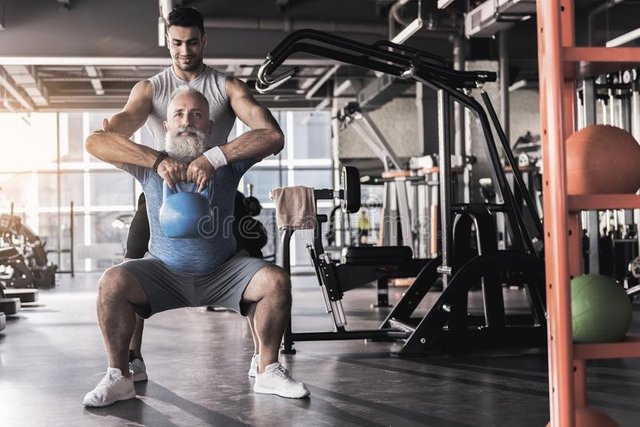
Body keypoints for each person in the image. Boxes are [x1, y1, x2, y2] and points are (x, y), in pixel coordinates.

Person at [83, 86, 309, 407]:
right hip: (163, 273)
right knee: (112, 282)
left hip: (223, 272)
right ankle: (120, 377)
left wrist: (214, 157)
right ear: (166, 126)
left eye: (196, 114)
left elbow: (273, 137)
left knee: (275, 280)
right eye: (178, 114)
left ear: (209, 126)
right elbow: (94, 142)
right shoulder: (147, 166)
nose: (186, 121)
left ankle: (267, 369)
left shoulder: (226, 165)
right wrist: (158, 159)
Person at [103, 6, 270, 382]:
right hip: (162, 195)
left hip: (219, 191)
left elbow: (268, 132)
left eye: (192, 42)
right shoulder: (150, 88)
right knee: (131, 262)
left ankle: (262, 359)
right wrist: (133, 142)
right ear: (167, 41)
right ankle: (132, 360)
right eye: (176, 42)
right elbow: (118, 130)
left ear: (204, 41)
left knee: (255, 267)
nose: (184, 50)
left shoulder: (226, 87)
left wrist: (214, 157)